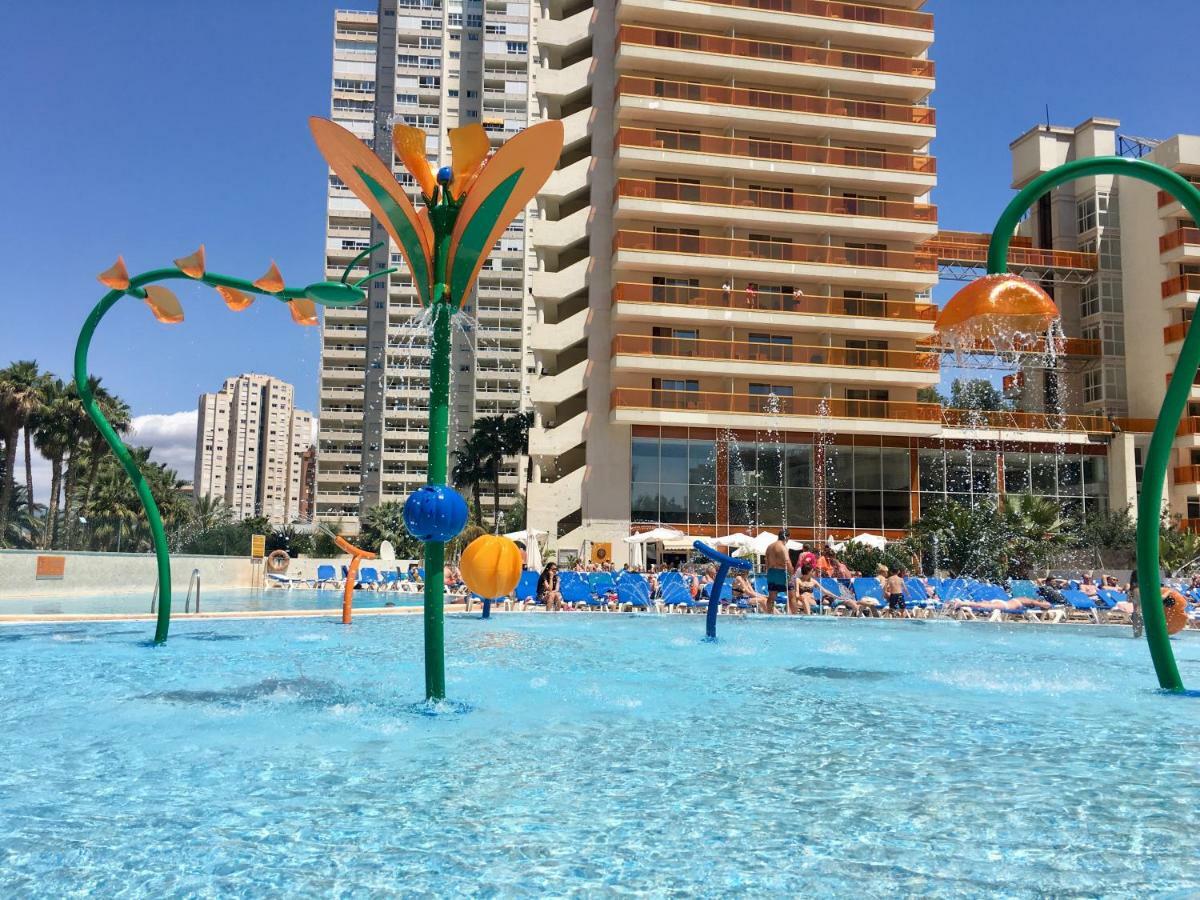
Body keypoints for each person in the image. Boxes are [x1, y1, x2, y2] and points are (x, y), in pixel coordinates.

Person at [764, 529, 794, 614]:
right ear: (787, 537)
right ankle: (795, 617)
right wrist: (791, 574)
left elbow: (766, 561)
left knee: (771, 597)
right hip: (782, 573)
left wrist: (769, 573)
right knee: (792, 596)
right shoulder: (783, 547)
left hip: (771, 573)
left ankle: (769, 615)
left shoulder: (769, 547)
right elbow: (787, 561)